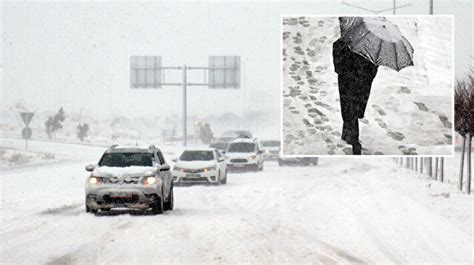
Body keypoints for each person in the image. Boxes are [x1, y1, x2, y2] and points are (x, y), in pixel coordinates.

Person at [332, 38, 378, 155]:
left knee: (349, 109)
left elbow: (336, 51)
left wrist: (340, 69)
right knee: (353, 111)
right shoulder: (371, 47)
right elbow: (374, 67)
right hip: (361, 83)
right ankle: (349, 136)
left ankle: (353, 140)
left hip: (347, 81)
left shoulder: (346, 40)